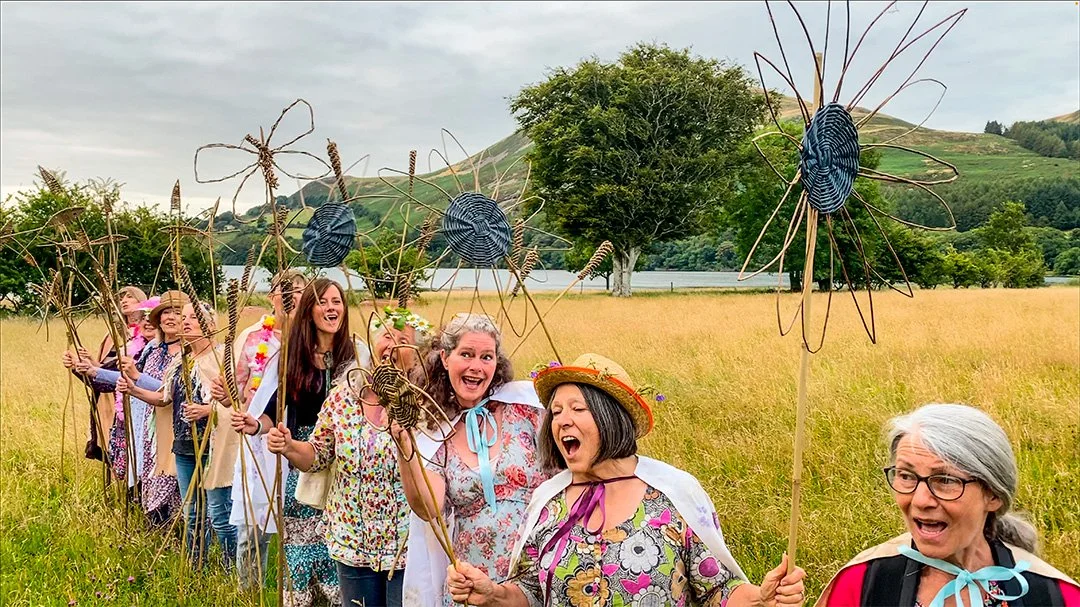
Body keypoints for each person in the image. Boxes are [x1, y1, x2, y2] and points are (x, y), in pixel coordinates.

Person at [446, 353, 807, 607]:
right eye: (555, 412)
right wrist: (492, 594)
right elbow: (529, 591)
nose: (561, 421)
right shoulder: (547, 503)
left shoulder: (673, 496)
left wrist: (762, 598)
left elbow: (718, 591)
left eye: (577, 408)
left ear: (609, 417)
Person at [815, 403, 1080, 607]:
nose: (920, 500)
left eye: (945, 480)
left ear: (993, 495)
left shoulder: (1051, 594)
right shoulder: (864, 583)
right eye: (906, 476)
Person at [268, 307, 434, 607]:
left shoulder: (426, 401)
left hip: (407, 545)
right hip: (351, 541)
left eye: (403, 339)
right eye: (386, 336)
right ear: (372, 344)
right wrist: (290, 446)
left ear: (418, 351)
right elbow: (317, 456)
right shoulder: (345, 396)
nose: (392, 345)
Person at [393, 312, 548, 607]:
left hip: (534, 571)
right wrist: (405, 449)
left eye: (486, 357)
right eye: (466, 354)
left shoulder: (526, 408)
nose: (476, 366)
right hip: (472, 581)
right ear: (445, 358)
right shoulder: (435, 433)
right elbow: (429, 508)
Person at [254, 277, 353, 606]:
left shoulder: (355, 358)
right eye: (323, 301)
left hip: (344, 462)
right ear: (309, 310)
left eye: (336, 301)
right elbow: (274, 409)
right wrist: (256, 425)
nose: (331, 307)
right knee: (301, 548)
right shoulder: (292, 359)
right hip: (302, 461)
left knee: (338, 545)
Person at [120, 300, 238, 568]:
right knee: (192, 512)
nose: (186, 322)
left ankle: (235, 570)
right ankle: (197, 567)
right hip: (183, 446)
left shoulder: (220, 359)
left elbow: (235, 403)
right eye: (183, 317)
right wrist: (133, 389)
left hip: (213, 447)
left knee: (219, 513)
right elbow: (164, 398)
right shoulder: (180, 359)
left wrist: (207, 411)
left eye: (193, 317)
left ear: (209, 324)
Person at [217, 269, 308, 589]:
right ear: (272, 296)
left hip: (300, 441)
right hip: (258, 438)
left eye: (297, 290)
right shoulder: (256, 337)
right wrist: (224, 396)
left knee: (299, 525)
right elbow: (236, 391)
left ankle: (296, 590)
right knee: (253, 526)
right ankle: (250, 590)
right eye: (284, 290)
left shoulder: (312, 340)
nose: (290, 296)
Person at [75, 290, 183, 526]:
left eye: (177, 312)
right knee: (150, 486)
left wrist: (137, 377)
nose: (170, 318)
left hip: (174, 428)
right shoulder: (152, 349)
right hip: (148, 428)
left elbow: (172, 391)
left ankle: (184, 541)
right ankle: (158, 536)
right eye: (165, 313)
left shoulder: (188, 353)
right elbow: (127, 379)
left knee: (176, 488)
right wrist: (91, 370)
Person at [61, 285, 146, 465]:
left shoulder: (149, 332)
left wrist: (88, 367)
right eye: (121, 298)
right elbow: (105, 370)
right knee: (112, 448)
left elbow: (127, 372)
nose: (124, 301)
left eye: (130, 297)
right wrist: (85, 363)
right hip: (108, 399)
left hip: (135, 399)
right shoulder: (113, 334)